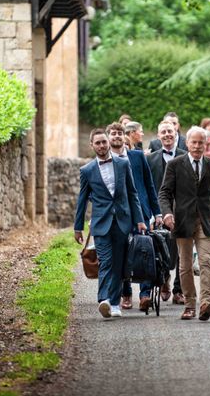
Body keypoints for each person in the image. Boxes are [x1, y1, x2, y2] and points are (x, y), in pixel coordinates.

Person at [74, 129, 147, 319]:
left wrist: (139, 220)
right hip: (101, 223)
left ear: (108, 142)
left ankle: (115, 303)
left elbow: (132, 193)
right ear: (92, 145)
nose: (101, 146)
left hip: (123, 221)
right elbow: (82, 200)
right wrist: (77, 227)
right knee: (105, 261)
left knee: (119, 264)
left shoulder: (123, 164)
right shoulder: (87, 170)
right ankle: (104, 299)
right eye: (97, 143)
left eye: (103, 142)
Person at [159, 127, 210, 321]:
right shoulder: (175, 165)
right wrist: (167, 213)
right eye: (193, 142)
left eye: (200, 143)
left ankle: (205, 304)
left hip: (205, 222)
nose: (197, 146)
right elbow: (164, 193)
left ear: (206, 144)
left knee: (205, 262)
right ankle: (189, 305)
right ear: (186, 143)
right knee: (185, 266)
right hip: (182, 221)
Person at [106, 123, 162, 311]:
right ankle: (126, 293)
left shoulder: (137, 157)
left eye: (119, 133)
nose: (117, 136)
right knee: (121, 254)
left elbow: (149, 185)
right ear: (108, 137)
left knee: (144, 251)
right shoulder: (104, 160)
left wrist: (157, 212)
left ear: (125, 137)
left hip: (141, 213)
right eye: (113, 133)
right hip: (117, 216)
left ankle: (145, 294)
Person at [147, 120, 187, 305]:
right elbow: (148, 188)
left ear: (176, 133)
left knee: (181, 251)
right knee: (160, 248)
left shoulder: (185, 156)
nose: (167, 135)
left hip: (181, 210)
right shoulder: (150, 159)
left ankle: (179, 290)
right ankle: (164, 281)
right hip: (158, 212)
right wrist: (152, 213)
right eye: (163, 132)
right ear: (158, 136)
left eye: (170, 131)